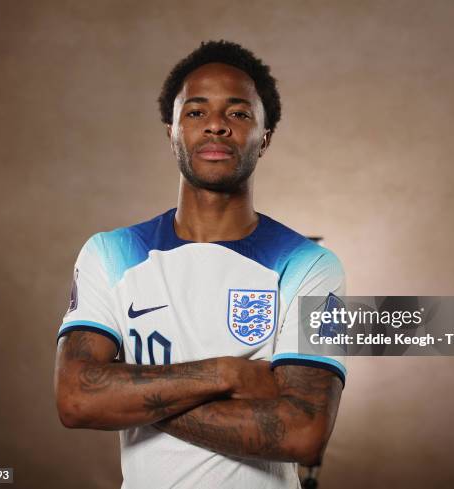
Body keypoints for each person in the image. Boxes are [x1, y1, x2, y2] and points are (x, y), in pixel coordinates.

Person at [54, 40, 346, 489]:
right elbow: (76, 399)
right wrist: (227, 374)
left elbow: (304, 433)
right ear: (171, 132)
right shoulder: (109, 253)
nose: (216, 125)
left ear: (263, 139)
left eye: (238, 113)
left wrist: (128, 395)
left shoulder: (309, 265)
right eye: (195, 112)